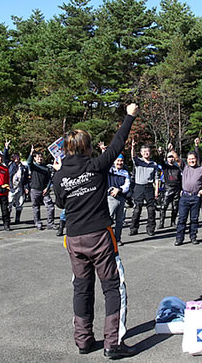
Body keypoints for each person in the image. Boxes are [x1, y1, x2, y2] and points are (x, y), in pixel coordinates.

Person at [52, 103, 138, 359]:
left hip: (74, 238)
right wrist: (129, 116)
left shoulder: (59, 175)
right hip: (99, 235)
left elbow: (60, 203)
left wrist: (60, 176)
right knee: (113, 287)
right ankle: (113, 344)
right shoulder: (96, 165)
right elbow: (118, 143)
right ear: (88, 147)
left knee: (81, 287)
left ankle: (83, 341)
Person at [174, 138, 202, 246]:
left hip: (196, 197)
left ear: (196, 159)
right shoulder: (185, 167)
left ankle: (193, 237)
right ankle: (179, 238)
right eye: (190, 159)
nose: (192, 161)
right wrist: (172, 149)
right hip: (185, 197)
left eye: (194, 159)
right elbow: (177, 159)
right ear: (187, 160)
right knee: (182, 218)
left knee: (194, 219)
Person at [129, 140, 160, 237]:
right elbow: (133, 156)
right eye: (144, 151)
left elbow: (156, 179)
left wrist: (156, 191)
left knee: (151, 209)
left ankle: (150, 229)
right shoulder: (138, 162)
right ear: (141, 153)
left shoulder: (154, 164)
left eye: (148, 151)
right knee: (137, 209)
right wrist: (133, 147)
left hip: (149, 187)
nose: (146, 153)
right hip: (139, 187)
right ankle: (134, 228)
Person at [27, 146, 57, 230]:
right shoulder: (33, 166)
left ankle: (50, 223)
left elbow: (50, 179)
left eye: (41, 157)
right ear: (35, 158)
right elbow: (29, 162)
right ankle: (38, 223)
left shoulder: (46, 167)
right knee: (36, 207)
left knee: (50, 206)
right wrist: (31, 153)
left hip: (44, 190)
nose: (40, 158)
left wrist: (47, 188)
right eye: (38, 157)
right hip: (35, 190)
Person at [107, 154, 131, 245]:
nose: (119, 163)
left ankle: (117, 239)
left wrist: (119, 189)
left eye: (121, 161)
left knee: (119, 220)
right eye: (118, 161)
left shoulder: (125, 172)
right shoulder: (110, 170)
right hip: (110, 198)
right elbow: (104, 162)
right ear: (114, 161)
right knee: (108, 219)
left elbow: (127, 186)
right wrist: (104, 152)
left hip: (121, 198)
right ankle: (108, 239)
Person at [158, 146, 181, 229]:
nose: (171, 159)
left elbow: (180, 179)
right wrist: (161, 153)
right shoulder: (165, 167)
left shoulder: (178, 168)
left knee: (175, 207)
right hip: (168, 188)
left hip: (177, 189)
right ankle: (161, 223)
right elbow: (161, 161)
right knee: (163, 206)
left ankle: (173, 222)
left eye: (172, 157)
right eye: (169, 157)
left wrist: (181, 189)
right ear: (167, 158)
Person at [6, 145, 29, 225]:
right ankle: (7, 219)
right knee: (9, 203)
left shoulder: (23, 167)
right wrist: (6, 148)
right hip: (12, 188)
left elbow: (26, 178)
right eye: (14, 157)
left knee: (19, 203)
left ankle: (17, 218)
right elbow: (5, 158)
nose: (16, 158)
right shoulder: (10, 165)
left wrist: (26, 187)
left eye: (17, 157)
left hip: (20, 187)